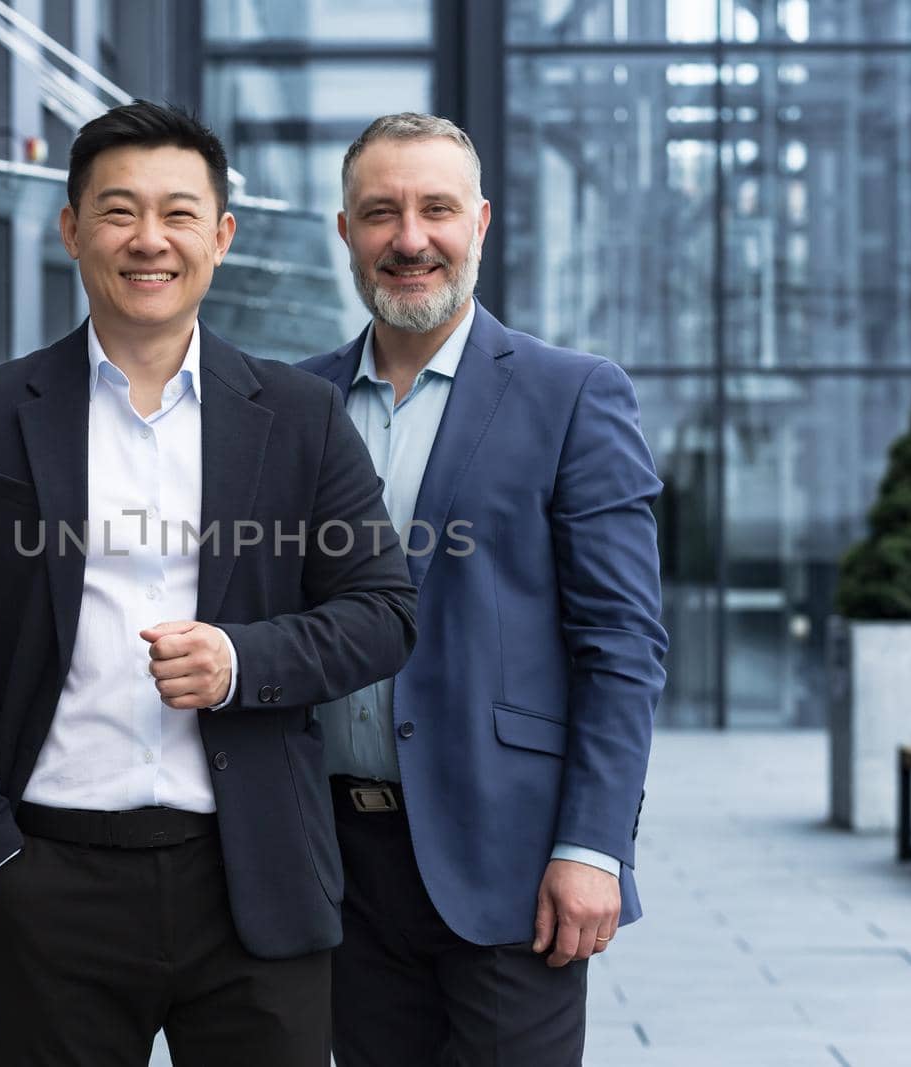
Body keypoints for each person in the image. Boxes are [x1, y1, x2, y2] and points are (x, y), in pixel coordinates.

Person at [0, 100, 418, 1067]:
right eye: (119, 210)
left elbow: (383, 611)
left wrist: (237, 660)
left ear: (219, 235)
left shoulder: (299, 417)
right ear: (72, 229)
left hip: (255, 873)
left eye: (178, 213)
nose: (149, 240)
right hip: (48, 876)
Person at [297, 113, 668, 1066]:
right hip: (334, 860)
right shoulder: (294, 404)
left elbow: (622, 645)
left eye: (436, 210)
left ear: (482, 223)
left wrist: (593, 847)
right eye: (380, 212)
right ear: (345, 230)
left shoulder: (573, 395)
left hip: (509, 855)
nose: (409, 239)